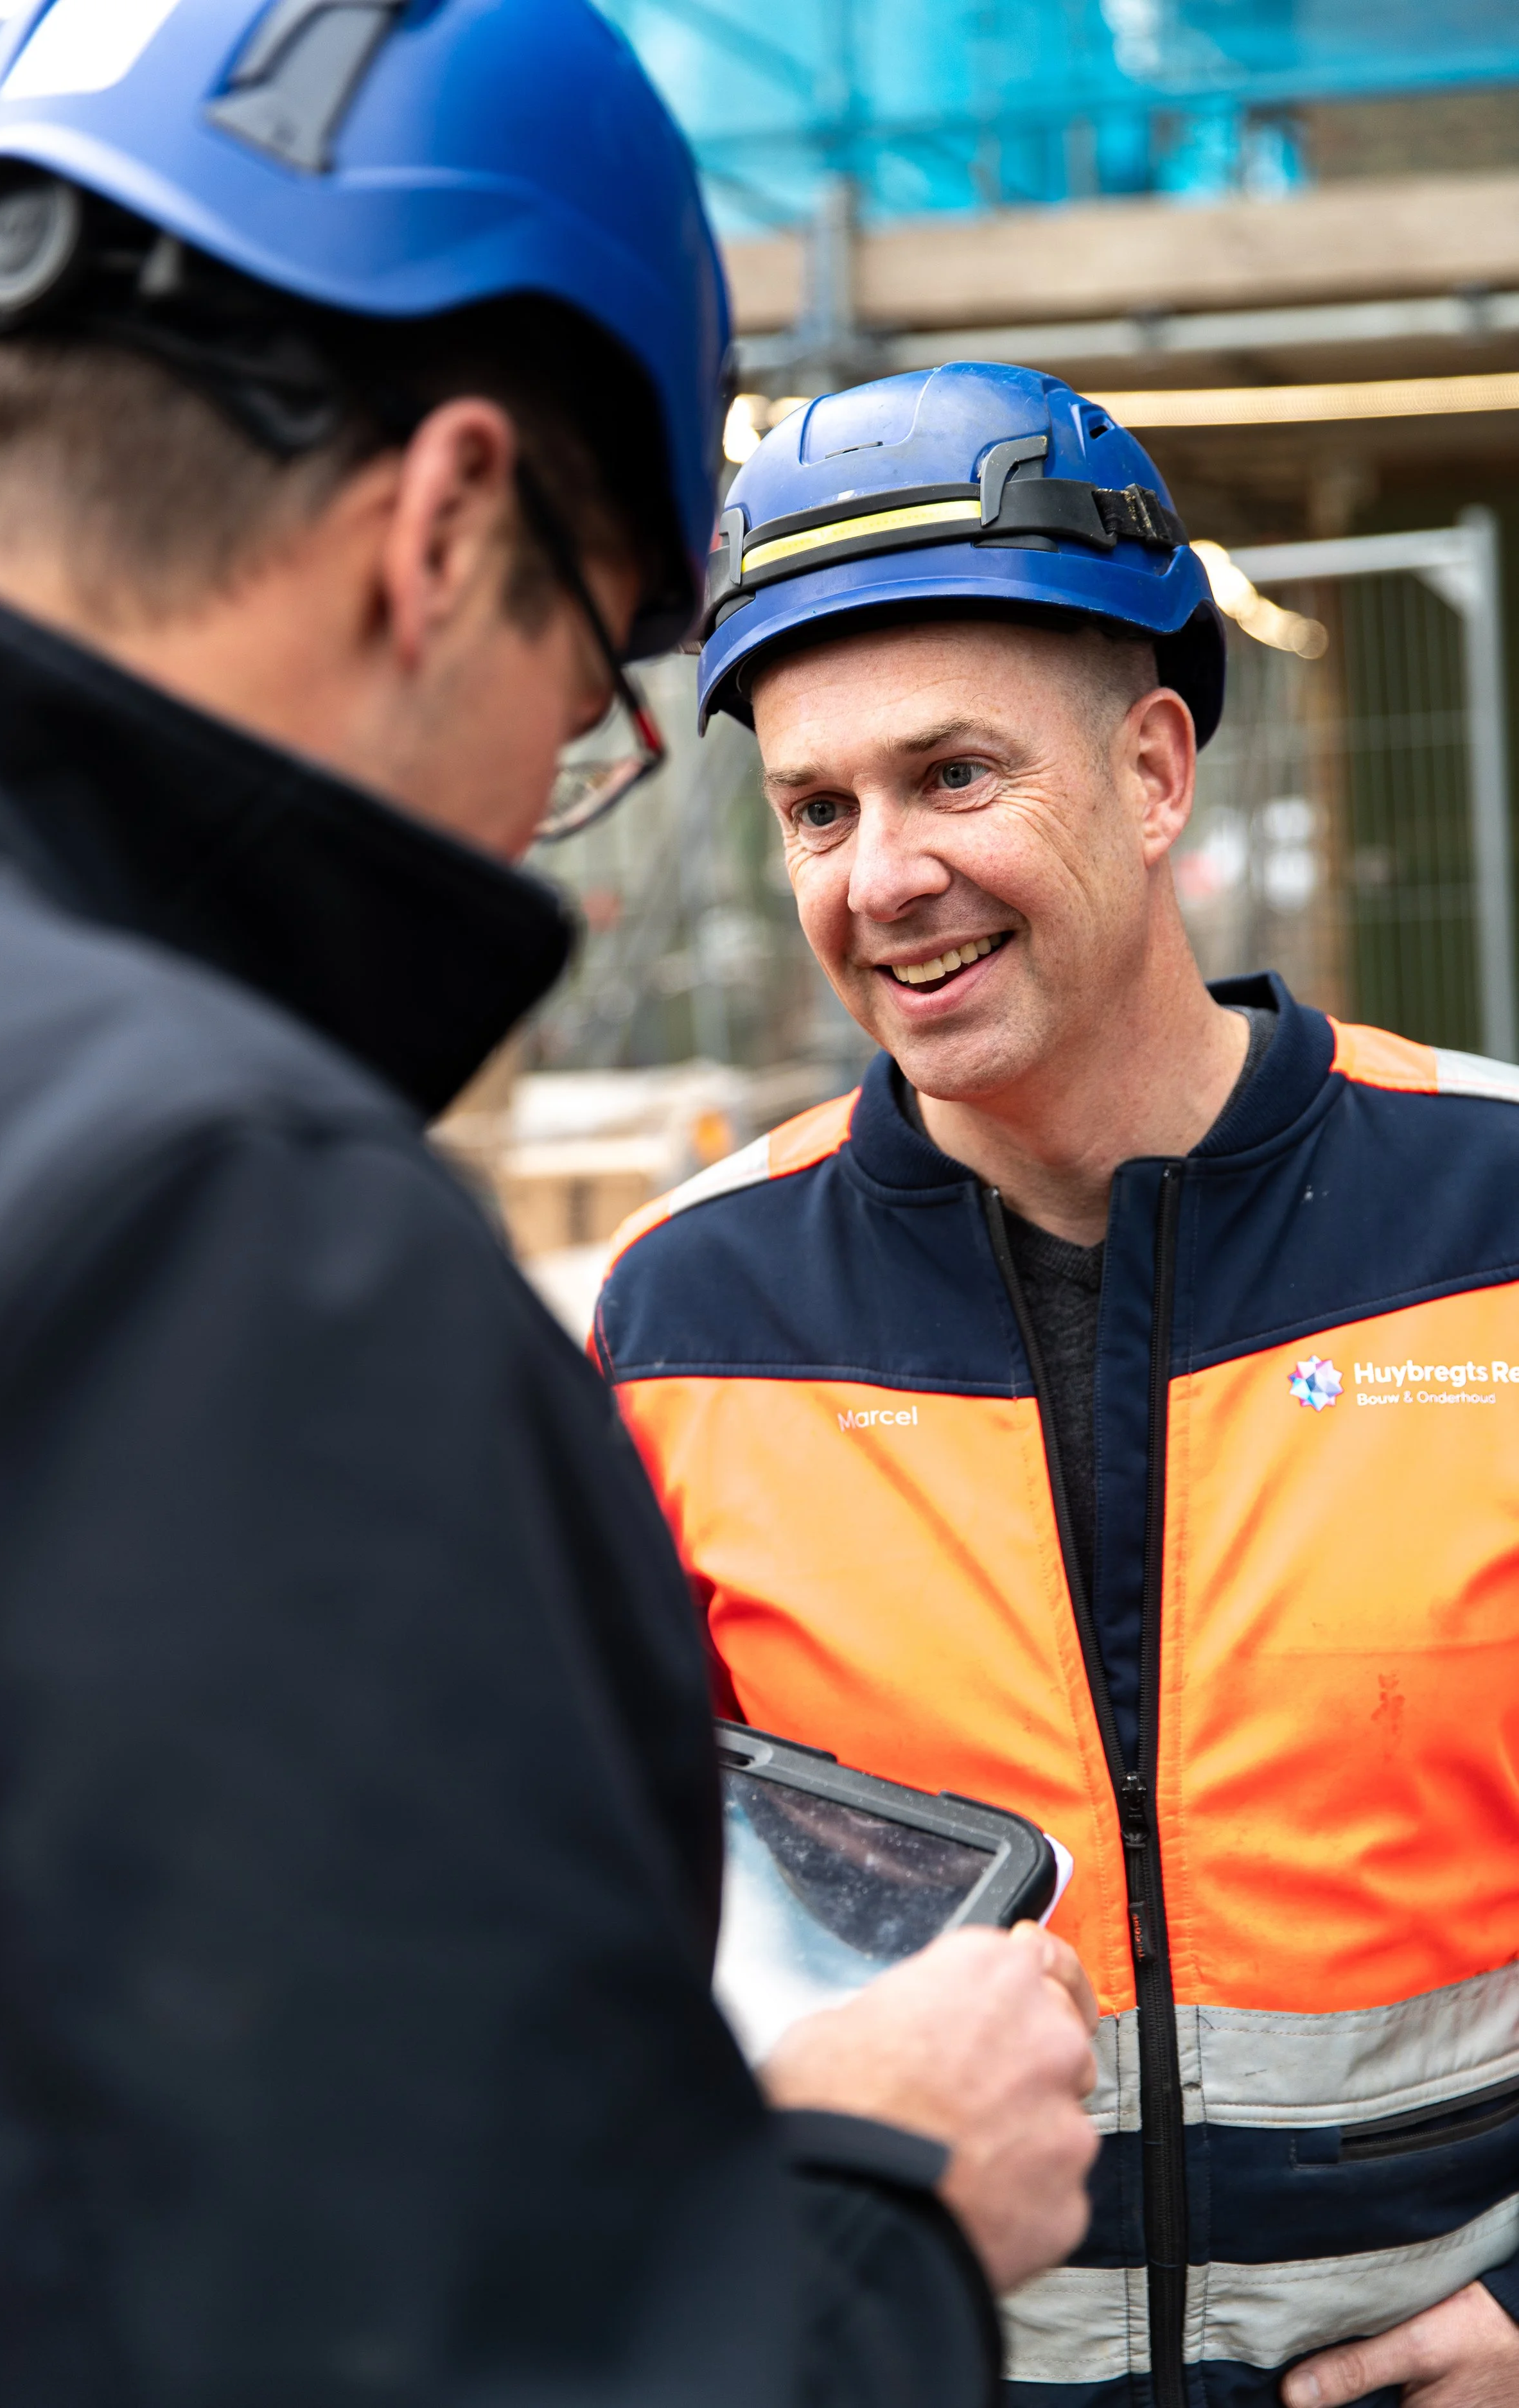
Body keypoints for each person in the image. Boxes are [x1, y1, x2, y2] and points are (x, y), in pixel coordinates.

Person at [0, 19, 1100, 2405]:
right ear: (450, 521)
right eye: (585, 711)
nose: (528, 809)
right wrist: (876, 2208)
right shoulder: (225, 1233)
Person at [593, 360, 1519, 2408]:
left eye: (951, 776)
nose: (879, 876)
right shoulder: (680, 1318)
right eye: (816, 810)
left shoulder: (1495, 1218)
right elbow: (594, 1974)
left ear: (1155, 770)